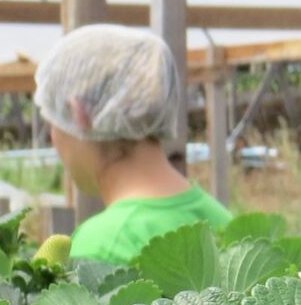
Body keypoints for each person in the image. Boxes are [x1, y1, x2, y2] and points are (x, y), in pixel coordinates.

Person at [34, 23, 232, 264]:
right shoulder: (224, 221)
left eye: (53, 121)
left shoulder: (100, 248)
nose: (54, 138)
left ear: (80, 114)